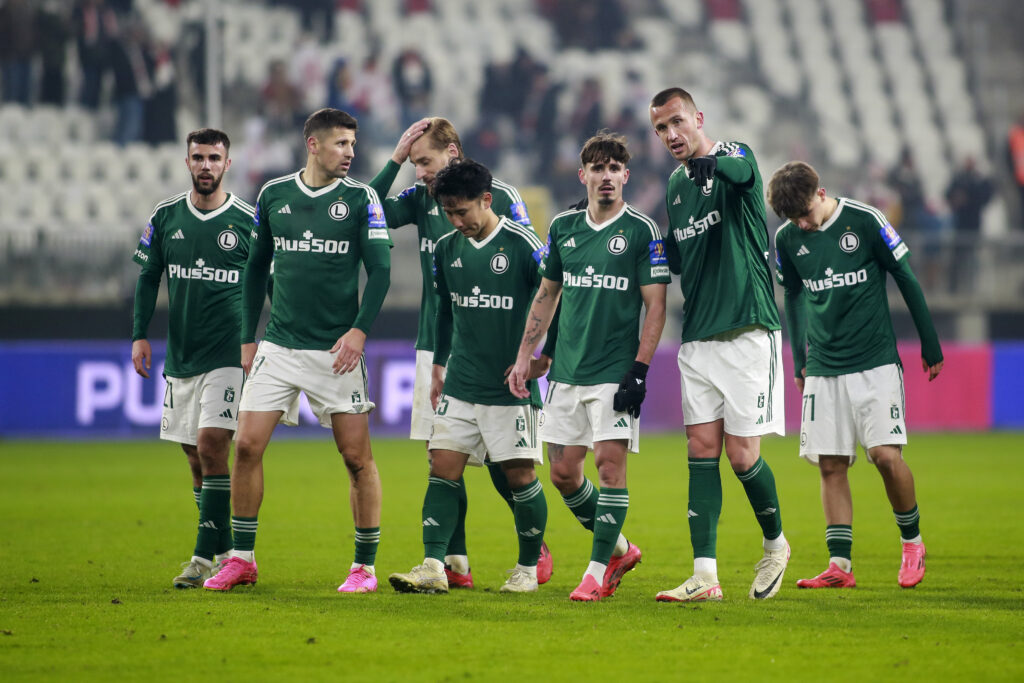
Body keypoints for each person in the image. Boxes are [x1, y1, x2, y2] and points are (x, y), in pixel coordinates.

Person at [203, 108, 392, 593]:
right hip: (279, 346)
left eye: (353, 144)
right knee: (245, 446)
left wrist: (359, 332)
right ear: (313, 144)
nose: (350, 152)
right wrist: (249, 336)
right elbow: (254, 270)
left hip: (336, 351)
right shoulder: (274, 195)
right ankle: (242, 559)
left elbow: (382, 272)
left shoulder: (361, 198)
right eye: (341, 144)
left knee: (355, 458)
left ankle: (363, 567)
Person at [369, 116, 553, 588]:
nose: (419, 174)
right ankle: (449, 563)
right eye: (412, 165)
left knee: (506, 465)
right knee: (442, 459)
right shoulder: (421, 199)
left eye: (423, 161)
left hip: (503, 349)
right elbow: (368, 212)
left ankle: (533, 553)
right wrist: (394, 159)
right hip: (444, 346)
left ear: (452, 153)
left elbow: (536, 282)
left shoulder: (503, 199)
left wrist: (534, 352)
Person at [768, 160, 943, 589]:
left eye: (806, 213)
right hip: (824, 367)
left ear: (821, 193)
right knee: (830, 464)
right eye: (794, 219)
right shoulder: (788, 238)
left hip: (875, 361)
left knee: (885, 456)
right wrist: (799, 359)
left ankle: (912, 542)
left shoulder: (865, 221)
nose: (803, 224)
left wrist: (929, 341)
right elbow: (792, 294)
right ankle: (839, 566)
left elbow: (905, 275)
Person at [509, 131, 668, 601]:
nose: (606, 176)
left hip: (614, 372)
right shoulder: (563, 228)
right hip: (565, 374)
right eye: (597, 168)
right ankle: (619, 547)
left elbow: (655, 307)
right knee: (562, 473)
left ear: (626, 176)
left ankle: (596, 572)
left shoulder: (642, 231)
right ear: (583, 176)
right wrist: (525, 355)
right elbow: (548, 294)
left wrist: (639, 370)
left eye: (614, 168)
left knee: (609, 466)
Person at [648, 87, 789, 602]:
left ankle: (776, 546)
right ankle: (705, 576)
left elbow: (744, 174)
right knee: (701, 451)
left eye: (677, 122)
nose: (671, 135)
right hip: (699, 337)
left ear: (698, 118)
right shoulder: (676, 187)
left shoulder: (734, 154)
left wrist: (713, 164)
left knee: (743, 454)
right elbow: (680, 258)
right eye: (661, 129)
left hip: (748, 329)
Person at [131, 128, 252, 588]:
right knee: (194, 458)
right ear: (187, 163)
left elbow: (269, 281)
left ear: (227, 163)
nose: (206, 165)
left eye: (214, 158)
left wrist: (258, 339)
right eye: (198, 157)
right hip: (180, 355)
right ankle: (227, 551)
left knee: (211, 447)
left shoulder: (246, 219)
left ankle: (201, 561)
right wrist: (140, 335)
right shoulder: (165, 216)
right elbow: (148, 277)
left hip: (227, 354)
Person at [944, 156, 994, 294]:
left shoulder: (979, 181)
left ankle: (971, 287)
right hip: (960, 224)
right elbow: (947, 195)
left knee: (972, 257)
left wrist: (969, 198)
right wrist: (956, 199)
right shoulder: (959, 179)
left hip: (974, 224)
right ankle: (953, 288)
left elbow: (987, 196)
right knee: (957, 257)